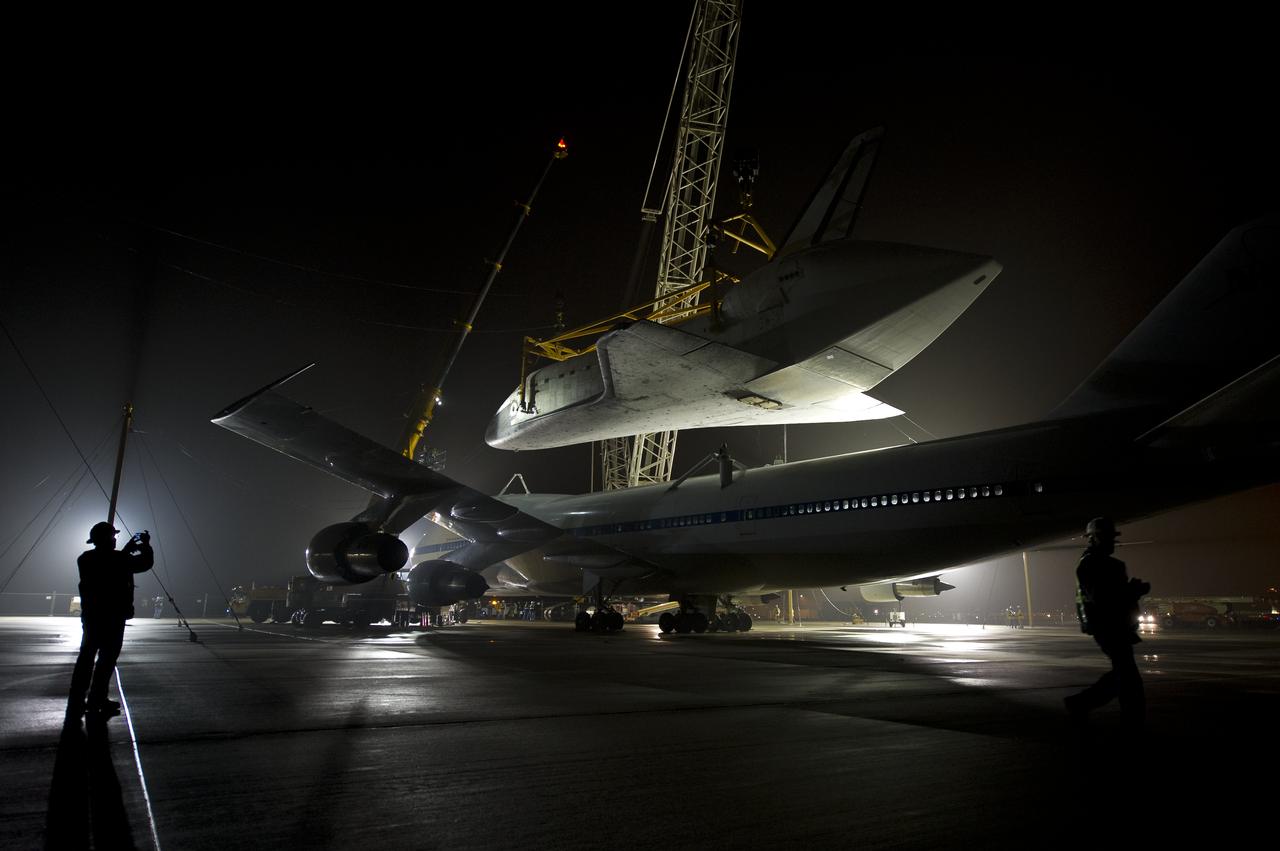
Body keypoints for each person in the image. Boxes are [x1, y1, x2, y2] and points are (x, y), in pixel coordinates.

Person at [1065, 517, 1150, 726]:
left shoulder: (1111, 565)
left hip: (1117, 625)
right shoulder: (1090, 565)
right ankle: (1130, 723)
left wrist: (1132, 592)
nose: (1112, 542)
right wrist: (1133, 591)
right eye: (1107, 538)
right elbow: (1103, 598)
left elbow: (1113, 595)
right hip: (1106, 626)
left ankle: (1081, 703)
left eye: (1112, 538)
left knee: (1123, 674)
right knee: (1129, 678)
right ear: (1093, 539)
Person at [66, 522, 153, 721]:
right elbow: (144, 563)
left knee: (86, 658)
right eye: (112, 537)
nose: (115, 539)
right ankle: (97, 699)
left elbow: (111, 563)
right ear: (106, 539)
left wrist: (126, 551)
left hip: (91, 617)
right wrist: (145, 546)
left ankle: (78, 700)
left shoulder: (85, 558)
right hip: (112, 617)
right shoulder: (117, 559)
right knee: (106, 660)